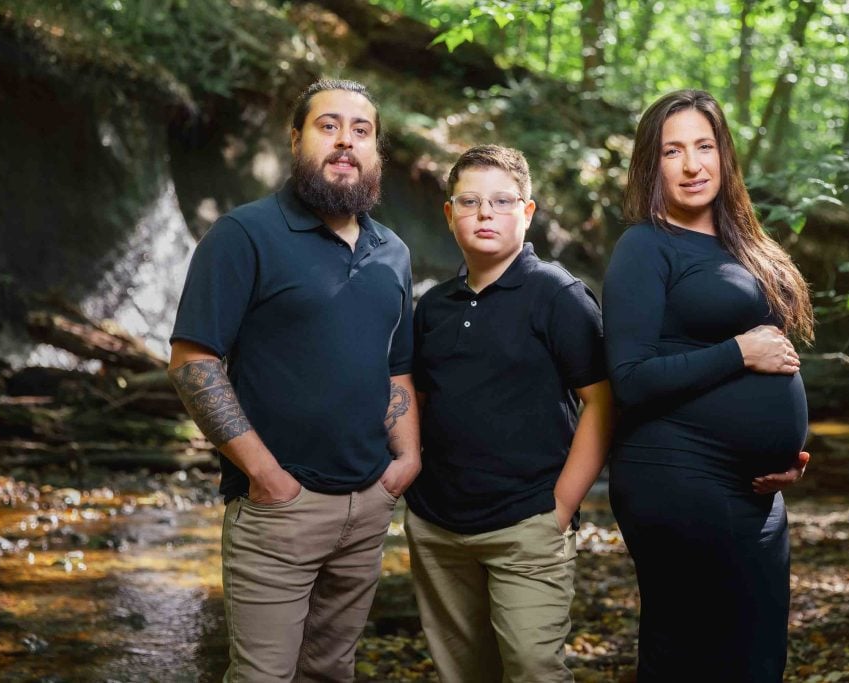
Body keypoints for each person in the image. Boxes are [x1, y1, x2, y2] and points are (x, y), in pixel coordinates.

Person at [167, 79, 420, 682]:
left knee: (332, 671)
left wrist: (406, 459)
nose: (345, 142)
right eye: (328, 126)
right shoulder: (244, 235)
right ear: (296, 139)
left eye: (361, 131)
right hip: (278, 507)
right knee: (262, 676)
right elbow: (192, 360)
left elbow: (397, 365)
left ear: (376, 151)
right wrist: (266, 475)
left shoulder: (394, 253)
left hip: (367, 507)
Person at [602, 89, 814, 682]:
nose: (693, 165)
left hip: (755, 493)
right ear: (653, 163)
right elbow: (631, 379)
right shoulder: (644, 246)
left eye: (704, 146)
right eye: (673, 151)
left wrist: (792, 450)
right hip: (677, 476)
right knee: (695, 658)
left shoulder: (741, 244)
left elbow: (780, 360)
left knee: (759, 658)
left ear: (725, 154)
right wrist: (739, 352)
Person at [403, 145, 615, 682]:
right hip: (438, 528)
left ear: (527, 212)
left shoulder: (558, 296)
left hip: (527, 523)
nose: (484, 213)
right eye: (470, 202)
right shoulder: (433, 306)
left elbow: (603, 403)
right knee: (463, 673)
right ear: (449, 214)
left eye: (501, 202)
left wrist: (561, 508)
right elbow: (418, 401)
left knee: (532, 666)